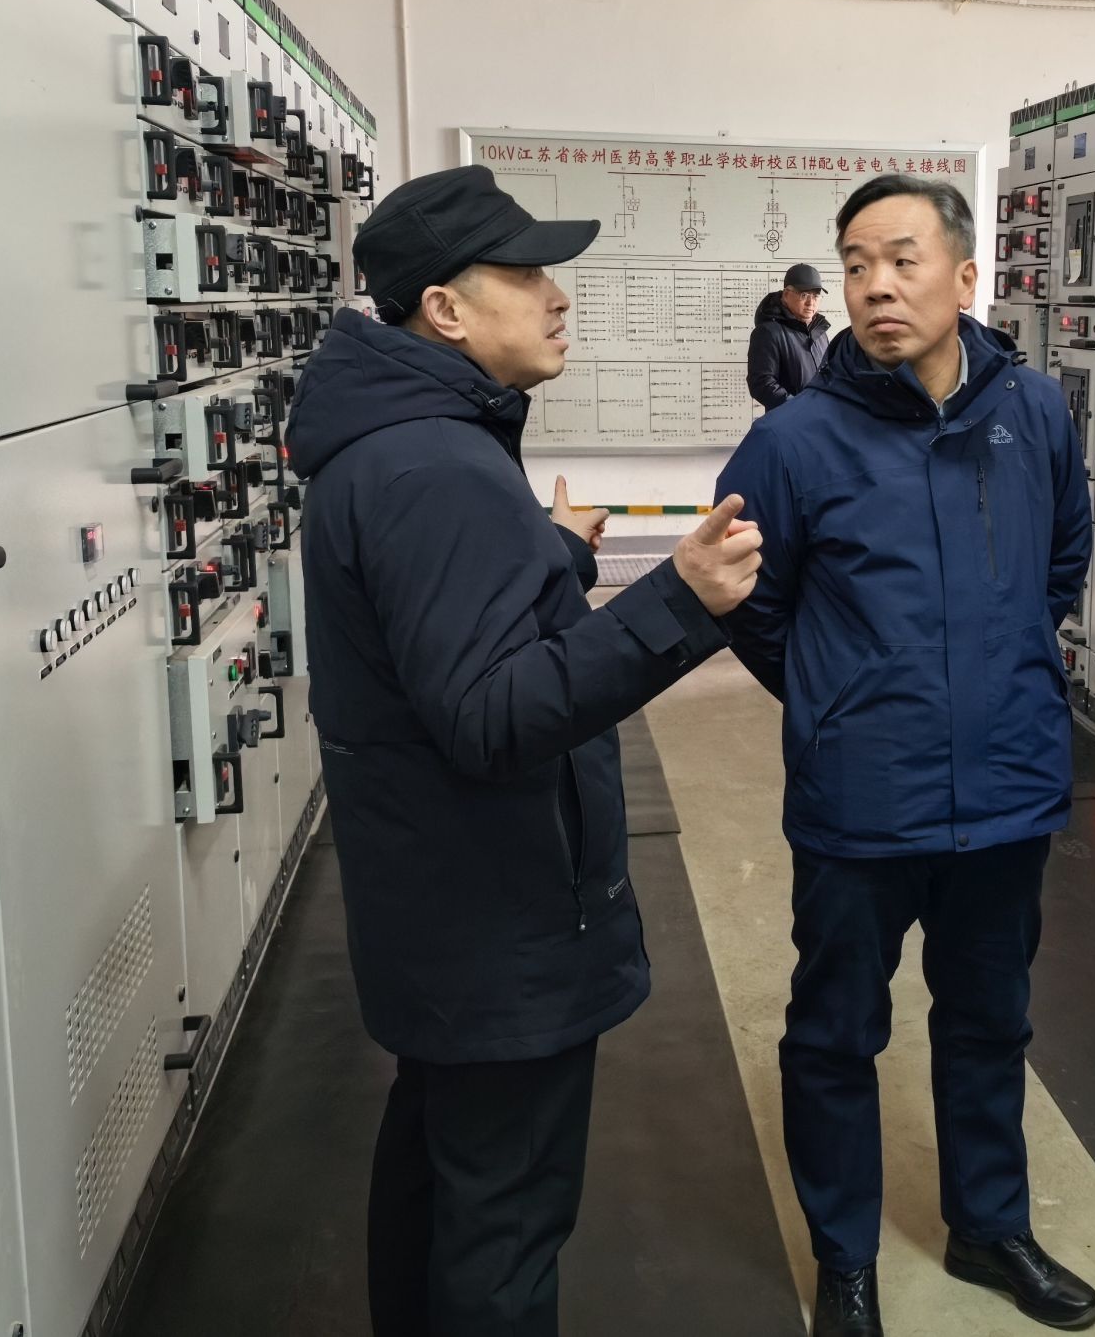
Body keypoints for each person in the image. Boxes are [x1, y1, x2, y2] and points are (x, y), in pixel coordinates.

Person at [286, 163, 764, 1336]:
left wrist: (547, 552)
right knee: (501, 1229)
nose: (557, 297)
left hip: (442, 917)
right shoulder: (434, 468)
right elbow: (491, 717)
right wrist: (679, 600)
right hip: (495, 923)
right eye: (527, 275)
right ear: (445, 309)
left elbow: (445, 628)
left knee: (443, 1184)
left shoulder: (404, 445)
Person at [715, 173, 1095, 1337]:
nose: (875, 286)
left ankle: (988, 1226)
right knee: (835, 1034)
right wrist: (839, 698)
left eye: (901, 259)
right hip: (860, 801)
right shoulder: (791, 441)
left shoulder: (1033, 413)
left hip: (1006, 793)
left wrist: (998, 673)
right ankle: (845, 1258)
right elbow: (749, 603)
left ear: (965, 277)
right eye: (854, 265)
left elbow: (1061, 563)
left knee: (989, 1023)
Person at [748, 261, 833, 410]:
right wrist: (798, 408)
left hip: (820, 418)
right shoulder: (768, 333)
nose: (810, 303)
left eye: (815, 296)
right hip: (788, 420)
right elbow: (761, 383)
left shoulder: (820, 333)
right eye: (804, 295)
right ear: (786, 294)